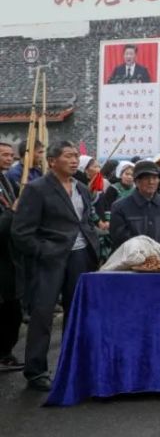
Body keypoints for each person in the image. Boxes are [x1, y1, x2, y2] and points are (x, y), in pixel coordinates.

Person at [11, 141, 99, 392]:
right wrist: (44, 251)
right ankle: (36, 370)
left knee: (77, 312)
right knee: (42, 314)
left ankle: (74, 364)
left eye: (75, 156)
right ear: (52, 161)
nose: (74, 161)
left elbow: (85, 221)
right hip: (50, 259)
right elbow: (21, 232)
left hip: (80, 257)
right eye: (68, 156)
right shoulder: (37, 189)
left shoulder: (82, 187)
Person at [109, 161, 160, 249]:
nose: (151, 182)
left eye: (155, 178)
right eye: (146, 178)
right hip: (132, 258)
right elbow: (120, 237)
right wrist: (144, 250)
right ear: (136, 181)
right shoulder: (120, 207)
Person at [0, 142, 23, 371]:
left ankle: (6, 352)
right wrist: (11, 212)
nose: (9, 158)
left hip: (9, 255)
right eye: (4, 155)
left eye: (10, 155)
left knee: (12, 309)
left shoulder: (7, 180)